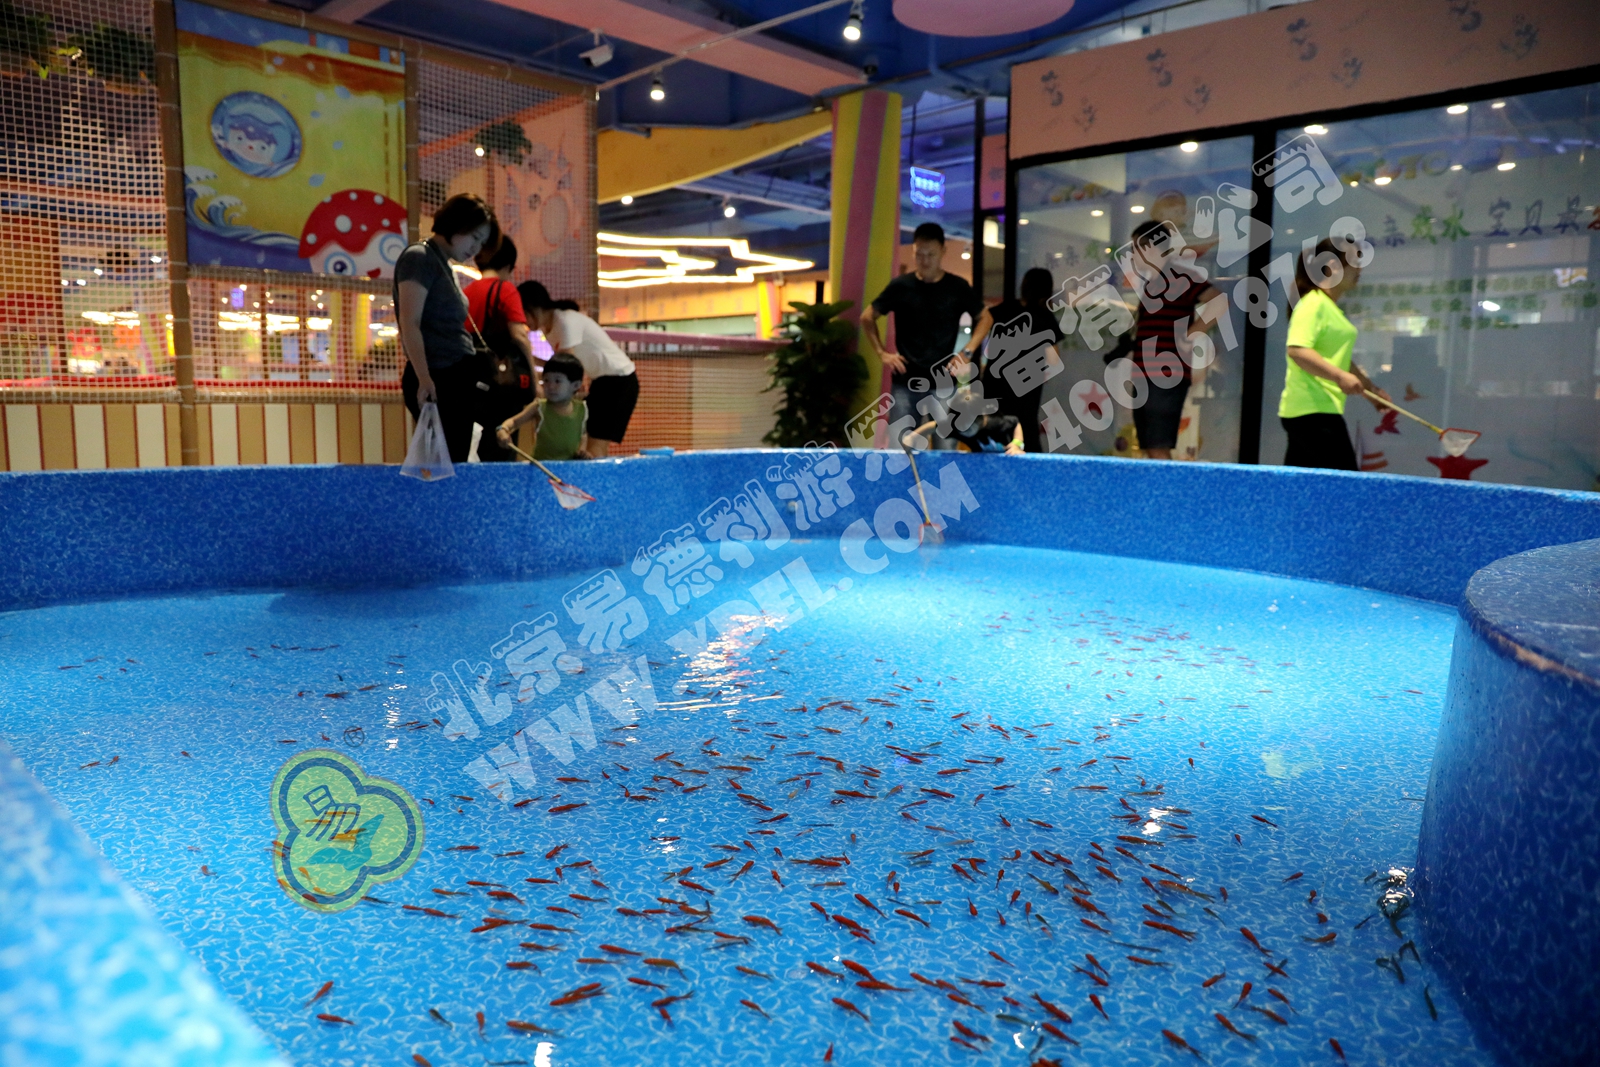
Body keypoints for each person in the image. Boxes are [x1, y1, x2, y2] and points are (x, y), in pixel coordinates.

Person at [861, 222, 993, 448]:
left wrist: (967, 352)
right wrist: (882, 353)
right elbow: (867, 317)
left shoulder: (957, 287)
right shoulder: (901, 286)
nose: (924, 260)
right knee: (900, 450)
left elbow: (986, 318)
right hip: (905, 381)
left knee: (946, 450)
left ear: (943, 251)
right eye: (919, 254)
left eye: (930, 254)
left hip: (943, 382)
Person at [396, 193, 497, 463]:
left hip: (452, 375)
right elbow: (410, 322)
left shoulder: (443, 263)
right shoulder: (420, 257)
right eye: (474, 237)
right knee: (444, 462)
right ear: (456, 224)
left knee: (452, 459)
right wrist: (424, 377)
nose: (476, 248)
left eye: (481, 242)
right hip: (438, 375)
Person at [1279, 237, 1389, 469]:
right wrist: (1339, 377)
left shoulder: (1329, 308)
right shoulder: (1312, 304)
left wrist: (1370, 391)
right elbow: (1297, 351)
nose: (1359, 270)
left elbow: (1339, 359)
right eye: (1354, 262)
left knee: (1303, 485)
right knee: (1345, 484)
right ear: (1332, 266)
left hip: (1313, 412)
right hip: (1312, 412)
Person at [1126, 218, 1221, 460]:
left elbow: (1218, 300)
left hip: (1165, 375)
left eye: (1135, 248)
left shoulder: (1179, 277)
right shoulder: (1152, 285)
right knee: (1151, 445)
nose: (1132, 255)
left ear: (1150, 248)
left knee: (1157, 445)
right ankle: (1159, 483)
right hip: (1147, 375)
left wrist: (1191, 334)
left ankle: (1167, 485)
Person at [517, 281, 638, 458]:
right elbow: (558, 366)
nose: (524, 322)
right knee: (591, 443)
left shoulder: (565, 321)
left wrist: (538, 377)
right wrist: (529, 359)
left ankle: (595, 475)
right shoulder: (550, 328)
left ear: (534, 309)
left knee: (595, 445)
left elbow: (565, 369)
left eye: (523, 315)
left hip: (618, 381)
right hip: (603, 381)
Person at [463, 235, 534, 462]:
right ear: (508, 265)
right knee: (501, 448)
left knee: (474, 449)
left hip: (470, 383)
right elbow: (519, 336)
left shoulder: (466, 292)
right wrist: (534, 378)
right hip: (500, 386)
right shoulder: (505, 289)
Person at [983, 266, 1064, 454]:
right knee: (1025, 429)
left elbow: (985, 321)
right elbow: (1053, 359)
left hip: (994, 381)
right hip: (1025, 383)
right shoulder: (1044, 316)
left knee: (993, 428)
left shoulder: (1004, 309)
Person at [496, 355, 588, 460]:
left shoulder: (582, 409)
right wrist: (503, 429)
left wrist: (582, 451)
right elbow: (514, 421)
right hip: (540, 465)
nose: (550, 386)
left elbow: (583, 434)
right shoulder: (539, 406)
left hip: (569, 467)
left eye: (557, 381)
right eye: (546, 380)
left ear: (576, 385)